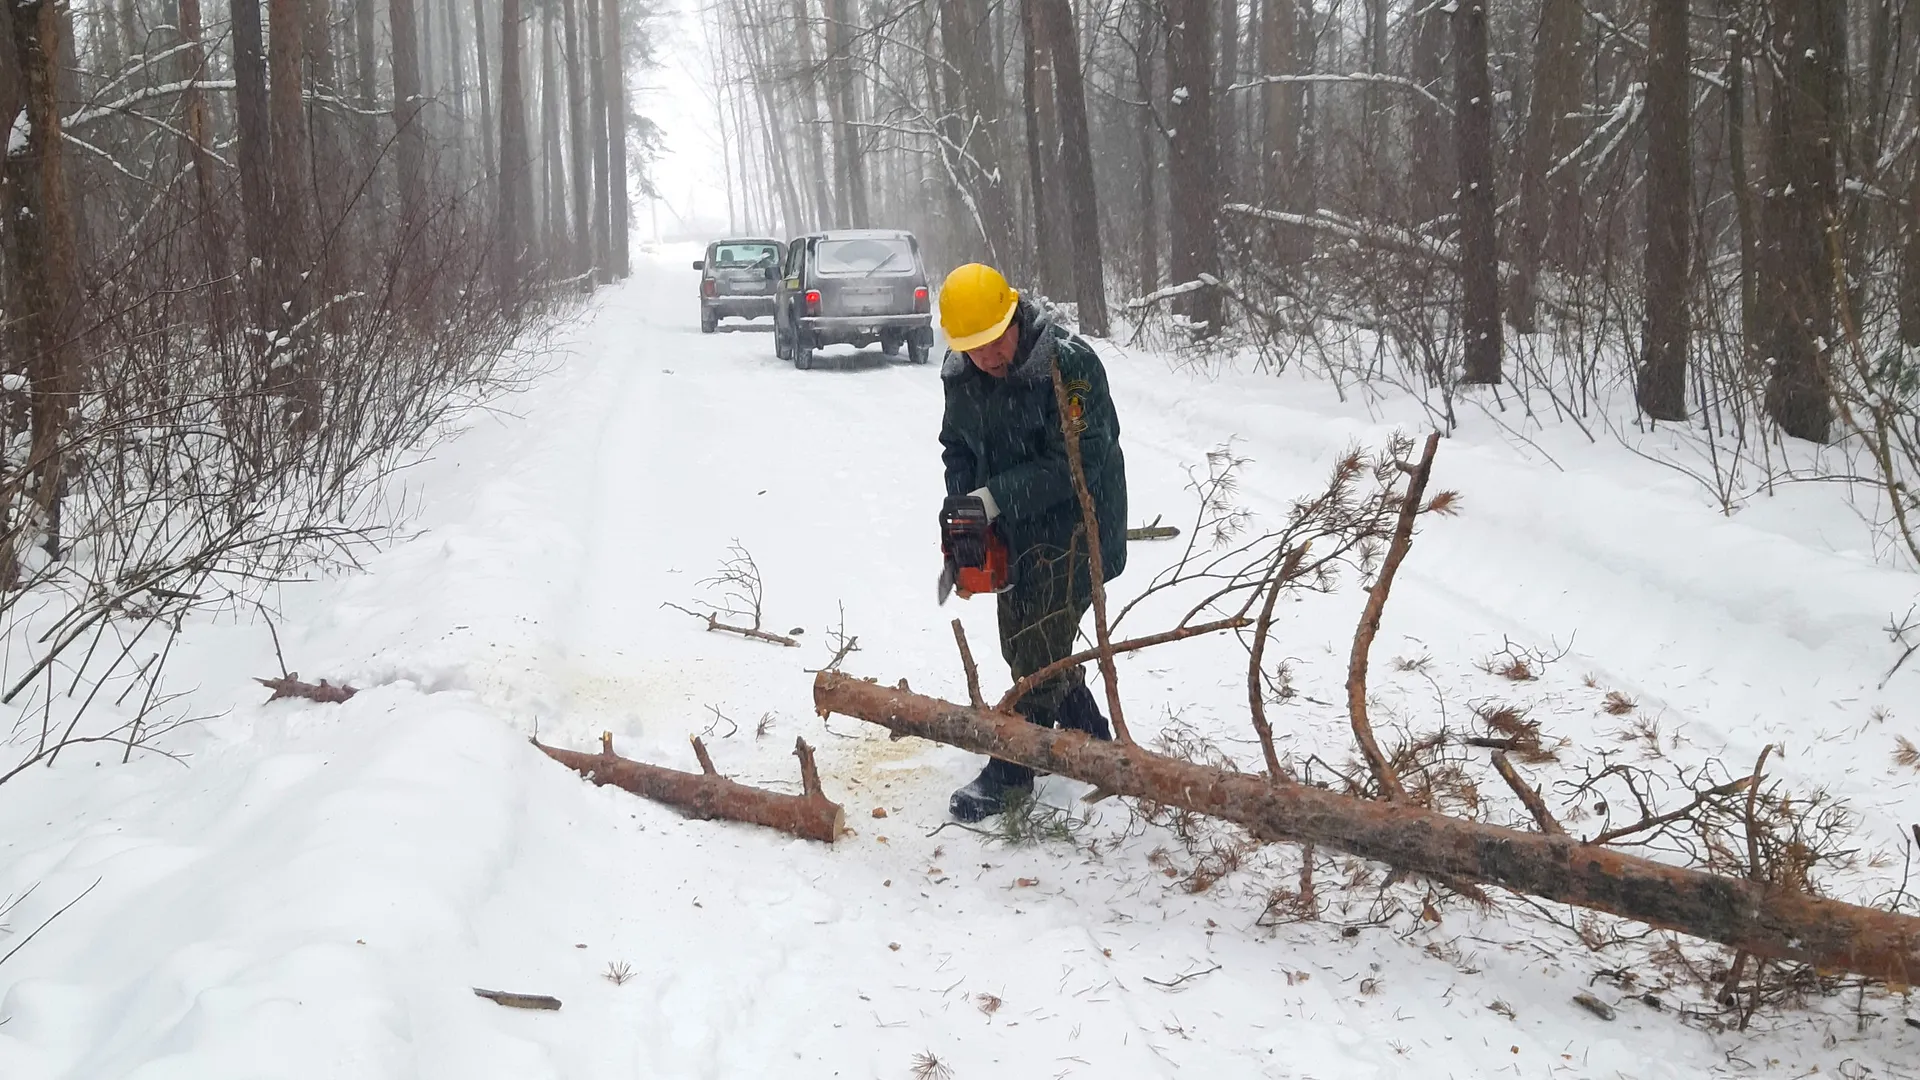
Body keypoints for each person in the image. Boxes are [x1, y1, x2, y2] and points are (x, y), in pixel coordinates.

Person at [935, 263, 1128, 822]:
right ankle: (1090, 734)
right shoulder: (961, 374)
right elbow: (958, 448)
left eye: (995, 343)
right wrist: (965, 512)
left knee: (1035, 649)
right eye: (975, 350)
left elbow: (1082, 461)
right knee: (1021, 645)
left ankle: (1014, 767)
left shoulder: (1069, 365)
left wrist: (994, 497)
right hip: (1014, 534)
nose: (989, 359)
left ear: (1014, 316)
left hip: (1075, 531)